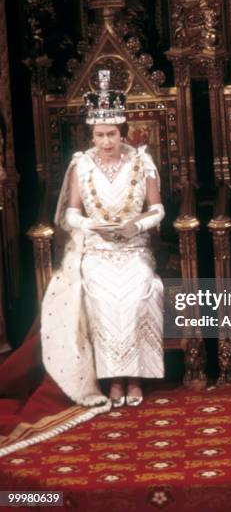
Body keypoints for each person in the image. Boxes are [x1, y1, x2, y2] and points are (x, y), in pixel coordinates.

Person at [41, 69, 165, 409]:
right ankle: (112, 379)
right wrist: (93, 226)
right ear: (91, 135)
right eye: (99, 135)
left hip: (134, 248)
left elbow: (157, 209)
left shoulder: (142, 162)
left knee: (140, 290)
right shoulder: (81, 166)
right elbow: (69, 215)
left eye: (111, 134)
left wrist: (135, 228)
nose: (106, 142)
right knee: (100, 294)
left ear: (122, 131)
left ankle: (135, 376)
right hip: (96, 249)